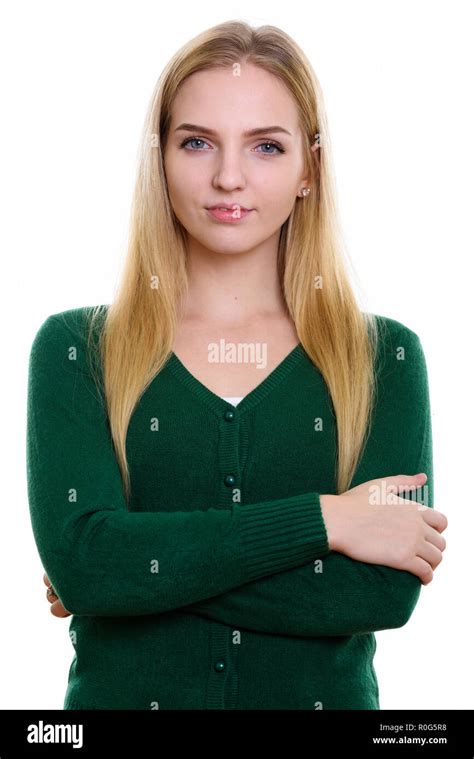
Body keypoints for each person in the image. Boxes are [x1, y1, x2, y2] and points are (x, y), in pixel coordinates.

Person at [27, 19, 447, 710]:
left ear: (309, 167)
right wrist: (326, 521)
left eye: (266, 147)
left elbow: (379, 591)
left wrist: (137, 566)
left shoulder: (384, 359)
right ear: (159, 155)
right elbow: (89, 570)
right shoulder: (77, 351)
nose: (228, 176)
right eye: (197, 142)